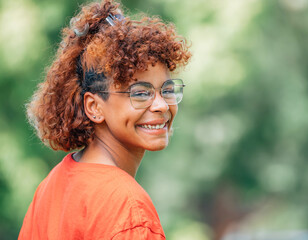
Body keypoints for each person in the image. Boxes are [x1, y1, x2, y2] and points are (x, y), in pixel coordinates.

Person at [18, 0, 191, 239]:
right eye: (140, 93)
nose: (161, 105)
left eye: (167, 89)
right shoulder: (129, 210)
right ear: (94, 107)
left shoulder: (51, 186)